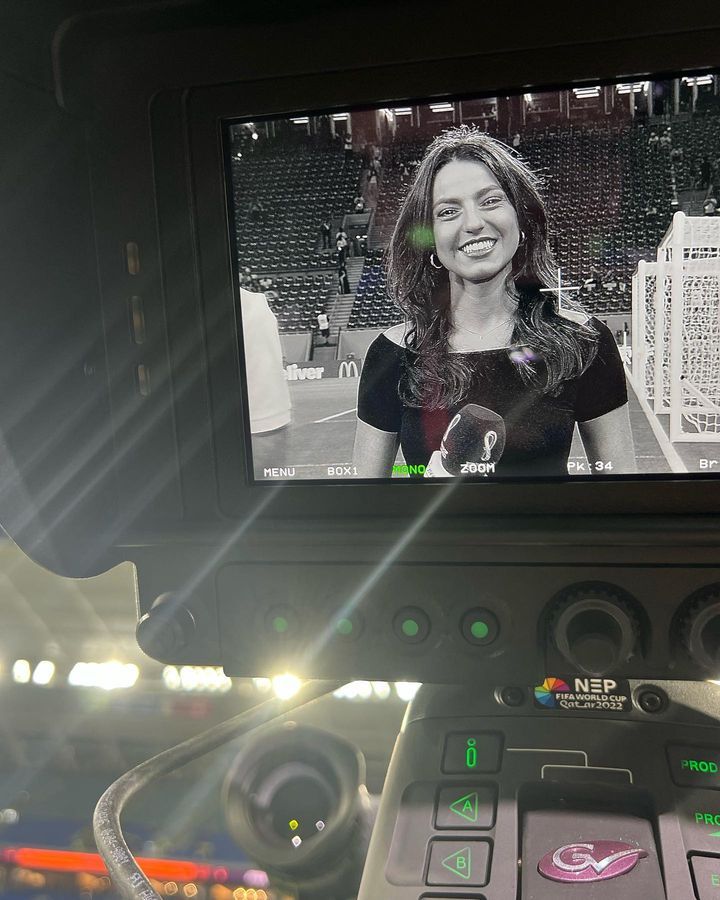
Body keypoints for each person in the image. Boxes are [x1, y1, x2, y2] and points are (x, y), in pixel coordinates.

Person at [352, 126, 636, 478]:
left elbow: (620, 489)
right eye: (447, 212)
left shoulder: (584, 343)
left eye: (490, 201)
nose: (473, 223)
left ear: (521, 218)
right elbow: (366, 501)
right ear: (431, 240)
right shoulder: (391, 355)